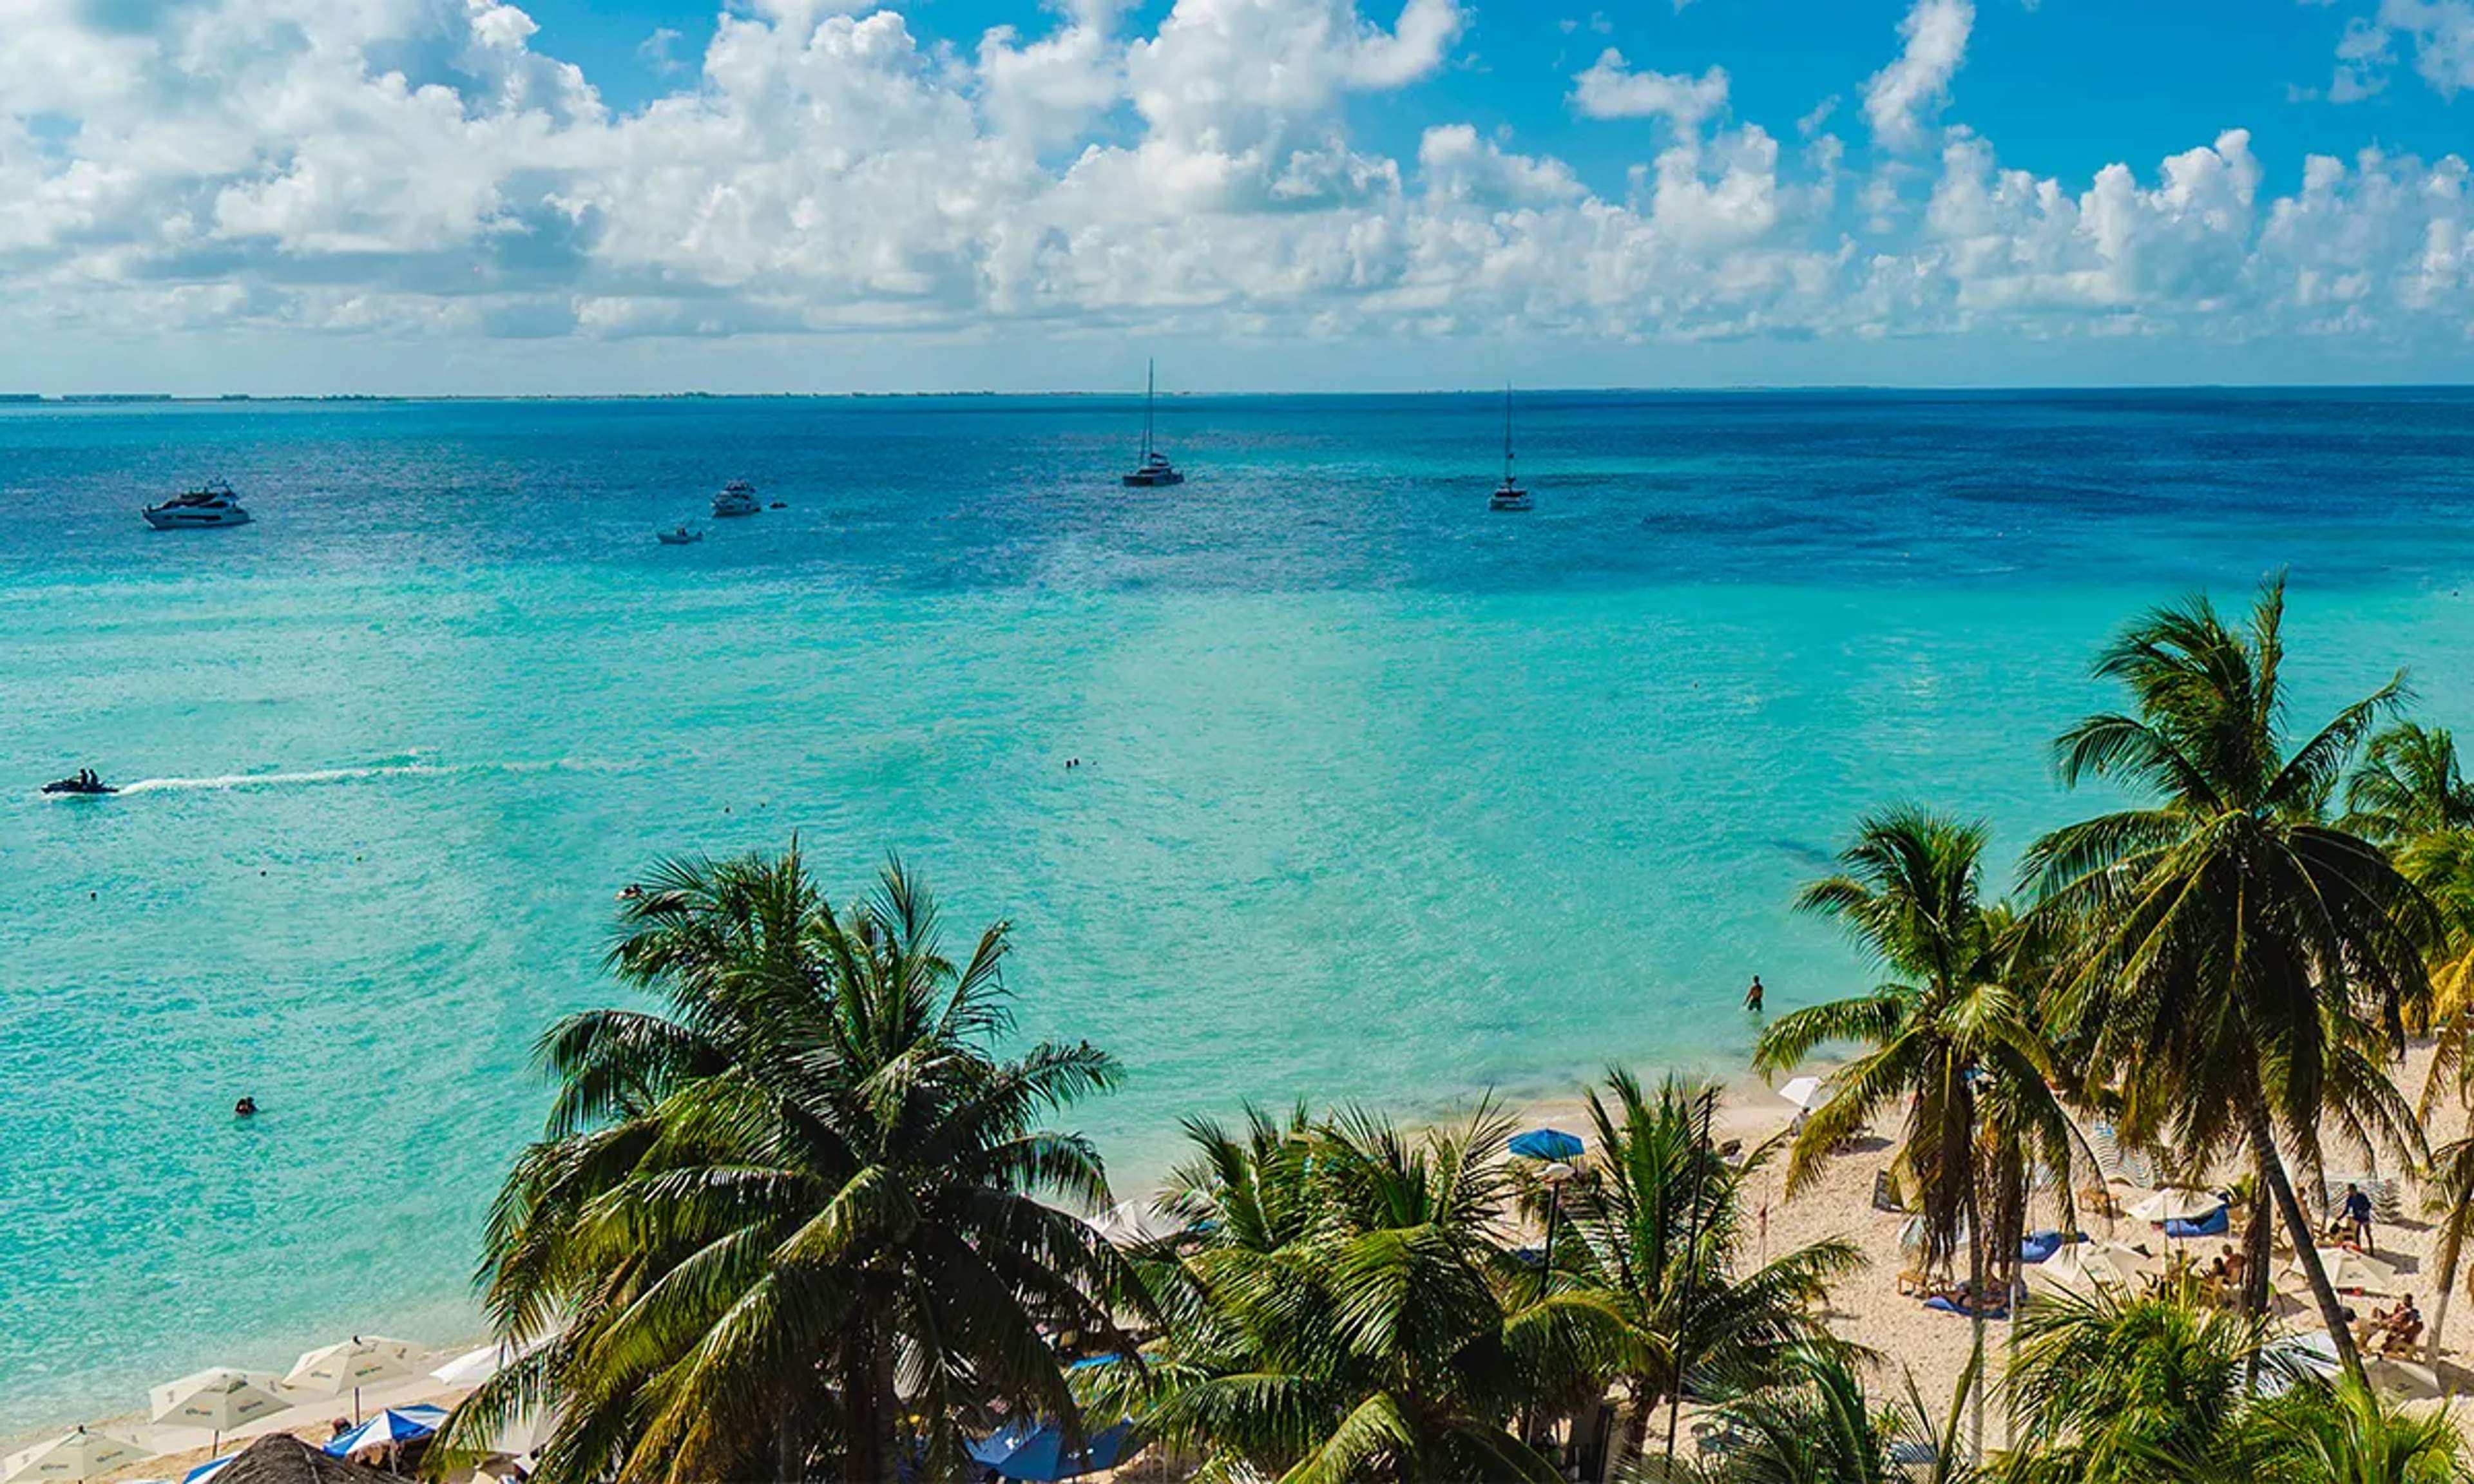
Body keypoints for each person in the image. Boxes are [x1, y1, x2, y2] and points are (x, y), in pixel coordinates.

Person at [2343, 1182, 2376, 1251]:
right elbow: (2347, 1210)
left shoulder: (2362, 1197)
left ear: (2355, 1189)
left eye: (2351, 1190)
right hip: (2357, 1218)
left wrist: (2363, 1210)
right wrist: (2340, 1217)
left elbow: (2369, 1206)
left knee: (2368, 1234)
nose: (2350, 1192)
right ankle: (2359, 1249)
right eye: (2349, 1191)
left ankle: (2372, 1250)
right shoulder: (2350, 1199)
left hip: (2365, 1217)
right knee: (2357, 1234)